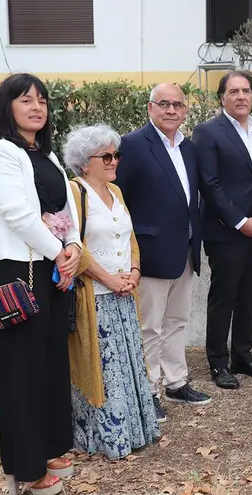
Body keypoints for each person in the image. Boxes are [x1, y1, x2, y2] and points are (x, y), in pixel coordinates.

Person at [0, 73, 81, 495]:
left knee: (52, 360)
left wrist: (72, 244)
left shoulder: (47, 155)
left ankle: (52, 445)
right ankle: (27, 468)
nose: (36, 107)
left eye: (41, 100)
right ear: (8, 107)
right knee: (20, 370)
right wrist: (59, 250)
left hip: (52, 268)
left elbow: (65, 205)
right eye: (25, 100)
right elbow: (19, 214)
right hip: (17, 272)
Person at [62, 124, 161, 460]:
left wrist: (133, 271)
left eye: (116, 154)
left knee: (127, 365)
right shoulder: (74, 193)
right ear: (84, 161)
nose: (114, 160)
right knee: (104, 371)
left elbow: (129, 237)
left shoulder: (116, 192)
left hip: (122, 294)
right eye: (106, 155)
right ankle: (107, 439)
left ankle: (135, 431)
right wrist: (108, 279)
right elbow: (75, 248)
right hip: (96, 298)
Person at [115, 83, 211, 420]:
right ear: (150, 108)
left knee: (177, 321)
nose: (171, 110)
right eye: (164, 104)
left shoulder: (188, 148)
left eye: (178, 105)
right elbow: (117, 198)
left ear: (185, 111)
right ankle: (148, 390)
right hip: (150, 252)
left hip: (185, 249)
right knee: (150, 327)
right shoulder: (131, 145)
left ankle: (176, 382)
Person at [193, 70, 252, 389]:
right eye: (234, 91)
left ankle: (242, 356)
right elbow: (210, 185)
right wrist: (241, 222)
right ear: (222, 98)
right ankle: (218, 363)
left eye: (246, 91)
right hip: (226, 231)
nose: (241, 96)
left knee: (249, 296)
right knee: (224, 296)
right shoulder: (207, 132)